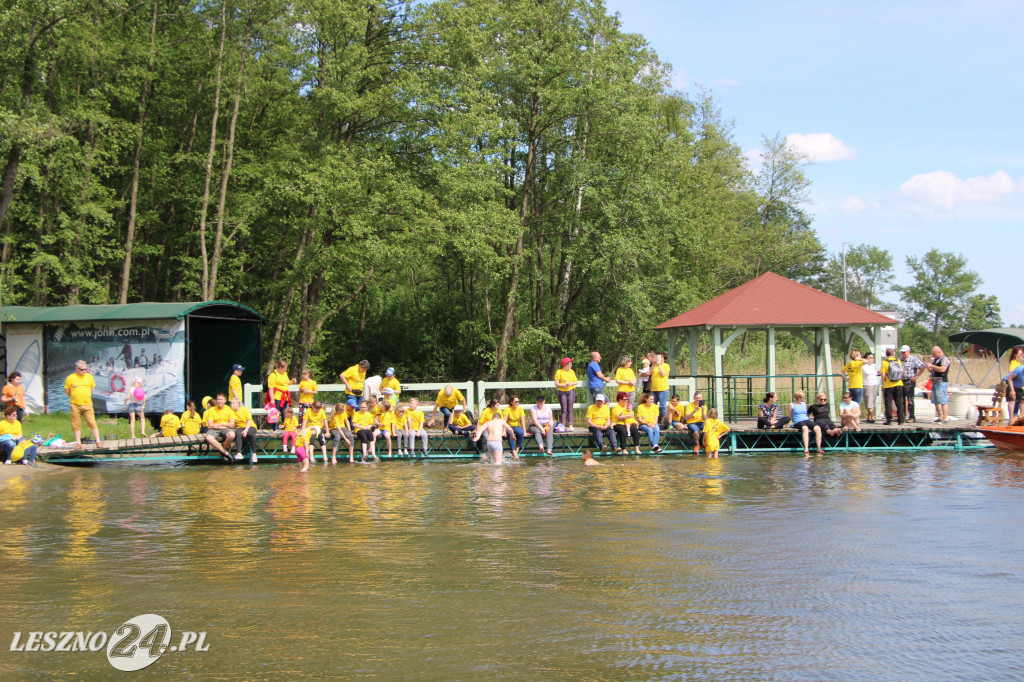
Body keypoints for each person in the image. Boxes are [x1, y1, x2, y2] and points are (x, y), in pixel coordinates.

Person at [64, 360, 103, 450]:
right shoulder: (70, 378)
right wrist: (74, 396)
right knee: (76, 423)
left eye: (85, 369)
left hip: (87, 403)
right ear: (77, 369)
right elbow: (67, 391)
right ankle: (78, 443)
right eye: (82, 369)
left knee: (92, 422)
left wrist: (85, 394)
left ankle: (98, 440)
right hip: (75, 404)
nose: (84, 371)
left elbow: (92, 388)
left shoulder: (89, 377)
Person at [204, 393, 237, 461]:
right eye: (218, 399)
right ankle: (225, 452)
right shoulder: (212, 410)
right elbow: (210, 426)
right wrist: (224, 424)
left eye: (221, 399)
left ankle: (223, 449)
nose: (219, 401)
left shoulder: (229, 409)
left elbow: (232, 425)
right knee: (208, 437)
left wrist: (219, 424)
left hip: (225, 429)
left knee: (232, 435)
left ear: (225, 400)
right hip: (215, 429)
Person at [789, 391, 823, 455]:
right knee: (805, 428)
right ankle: (806, 448)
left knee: (817, 428)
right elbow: (789, 416)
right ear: (798, 398)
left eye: (804, 397)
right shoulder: (792, 405)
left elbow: (806, 414)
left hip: (806, 419)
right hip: (798, 421)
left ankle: (819, 447)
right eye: (802, 397)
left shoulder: (804, 404)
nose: (804, 398)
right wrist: (787, 424)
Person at [899, 345, 925, 423]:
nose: (903, 353)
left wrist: (916, 376)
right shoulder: (900, 360)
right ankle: (902, 416)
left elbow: (922, 366)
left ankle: (911, 417)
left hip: (909, 381)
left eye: (904, 352)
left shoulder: (914, 359)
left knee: (910, 400)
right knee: (901, 400)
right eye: (902, 352)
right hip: (901, 381)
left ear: (908, 352)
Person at [925, 345, 951, 423]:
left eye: (934, 354)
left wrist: (932, 366)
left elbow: (943, 369)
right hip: (935, 382)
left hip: (941, 382)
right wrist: (929, 367)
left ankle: (945, 418)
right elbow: (932, 370)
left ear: (939, 352)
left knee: (942, 400)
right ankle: (940, 417)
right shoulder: (936, 360)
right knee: (936, 401)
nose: (933, 355)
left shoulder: (945, 359)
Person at [267, 360, 295, 430]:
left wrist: (292, 382)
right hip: (277, 396)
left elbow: (286, 382)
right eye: (285, 368)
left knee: (285, 412)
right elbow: (270, 388)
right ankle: (275, 429)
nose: (286, 369)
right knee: (276, 413)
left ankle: (286, 427)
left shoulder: (284, 373)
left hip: (285, 396)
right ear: (280, 368)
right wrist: (272, 399)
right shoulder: (273, 375)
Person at [230, 397, 259, 463]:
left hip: (250, 426)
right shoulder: (231, 412)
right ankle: (239, 453)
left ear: (238, 404)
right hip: (239, 427)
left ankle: (254, 453)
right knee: (238, 434)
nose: (231, 405)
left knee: (251, 434)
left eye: (233, 403)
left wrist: (246, 430)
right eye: (231, 403)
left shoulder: (244, 410)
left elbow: (249, 420)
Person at [881, 348, 905, 426]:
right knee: (899, 402)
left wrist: (882, 384)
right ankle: (901, 419)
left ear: (886, 354)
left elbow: (883, 374)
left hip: (888, 385)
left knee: (888, 403)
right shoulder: (898, 361)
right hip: (898, 384)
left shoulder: (885, 362)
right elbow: (902, 371)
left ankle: (889, 420)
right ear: (893, 353)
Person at [554, 358, 578, 430]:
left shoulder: (572, 372)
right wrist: (564, 385)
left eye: (571, 364)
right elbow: (556, 383)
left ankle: (571, 425)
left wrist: (570, 383)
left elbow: (575, 382)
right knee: (564, 409)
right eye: (569, 364)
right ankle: (563, 425)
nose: (571, 365)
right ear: (565, 365)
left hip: (570, 391)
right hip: (562, 391)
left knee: (570, 408)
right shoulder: (559, 372)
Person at [649, 352, 670, 423]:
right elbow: (650, 373)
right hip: (654, 389)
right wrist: (653, 365)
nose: (658, 359)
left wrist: (659, 366)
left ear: (663, 359)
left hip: (663, 389)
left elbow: (663, 374)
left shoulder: (666, 366)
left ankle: (662, 422)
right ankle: (653, 420)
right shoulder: (654, 366)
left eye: (660, 358)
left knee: (662, 407)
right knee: (653, 406)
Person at [861, 352, 880, 423]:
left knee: (873, 401)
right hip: (867, 384)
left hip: (874, 384)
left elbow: (874, 373)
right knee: (869, 401)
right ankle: (873, 416)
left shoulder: (873, 365)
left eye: (873, 357)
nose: (872, 359)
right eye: (870, 357)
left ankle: (869, 417)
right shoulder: (863, 366)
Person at [1007, 348, 1024, 417]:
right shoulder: (1014, 362)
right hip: (1012, 383)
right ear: (1015, 355)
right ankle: (1011, 417)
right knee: (1012, 400)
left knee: (1022, 400)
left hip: (1019, 385)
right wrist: (1015, 373)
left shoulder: (1018, 363)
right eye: (1020, 353)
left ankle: (1022, 416)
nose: (1022, 355)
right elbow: (1010, 372)